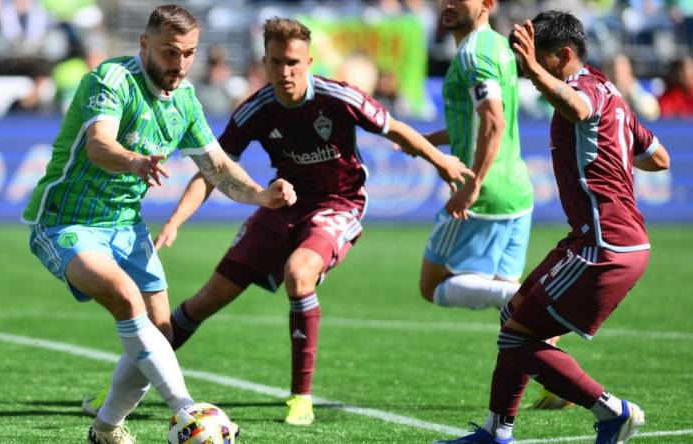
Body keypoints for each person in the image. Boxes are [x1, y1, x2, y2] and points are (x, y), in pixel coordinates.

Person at [81, 16, 474, 427]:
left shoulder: (338, 97)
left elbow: (395, 130)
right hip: (281, 207)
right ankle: (117, 398)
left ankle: (300, 397)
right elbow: (213, 170)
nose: (285, 72)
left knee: (299, 273)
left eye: (293, 63)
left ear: (309, 61)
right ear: (264, 62)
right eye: (276, 62)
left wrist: (441, 160)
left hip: (337, 204)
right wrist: (176, 220)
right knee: (204, 301)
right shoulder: (256, 108)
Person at [22, 5, 296, 444]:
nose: (181, 64)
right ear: (145, 44)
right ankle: (187, 409)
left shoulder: (185, 99)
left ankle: (106, 428)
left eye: (189, 53)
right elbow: (98, 146)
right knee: (126, 297)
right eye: (171, 52)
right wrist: (135, 162)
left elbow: (218, 167)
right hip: (65, 222)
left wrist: (262, 196)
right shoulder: (112, 80)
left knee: (161, 330)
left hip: (125, 226)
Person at [436, 10, 670, 444]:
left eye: (537, 60)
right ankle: (497, 430)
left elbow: (577, 107)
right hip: (603, 240)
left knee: (515, 339)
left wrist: (541, 77)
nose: (528, 70)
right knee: (513, 317)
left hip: (604, 245)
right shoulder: (609, 90)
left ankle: (612, 411)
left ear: (563, 56)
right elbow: (659, 158)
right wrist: (612, 154)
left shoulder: (583, 90)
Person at [417, 0, 534, 314]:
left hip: (482, 191)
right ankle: (536, 330)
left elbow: (493, 120)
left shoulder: (472, 53)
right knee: (517, 320)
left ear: (487, 4)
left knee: (431, 285)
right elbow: (479, 121)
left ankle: (534, 299)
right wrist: (427, 142)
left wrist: (473, 184)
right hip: (517, 190)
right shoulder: (498, 45)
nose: (448, 3)